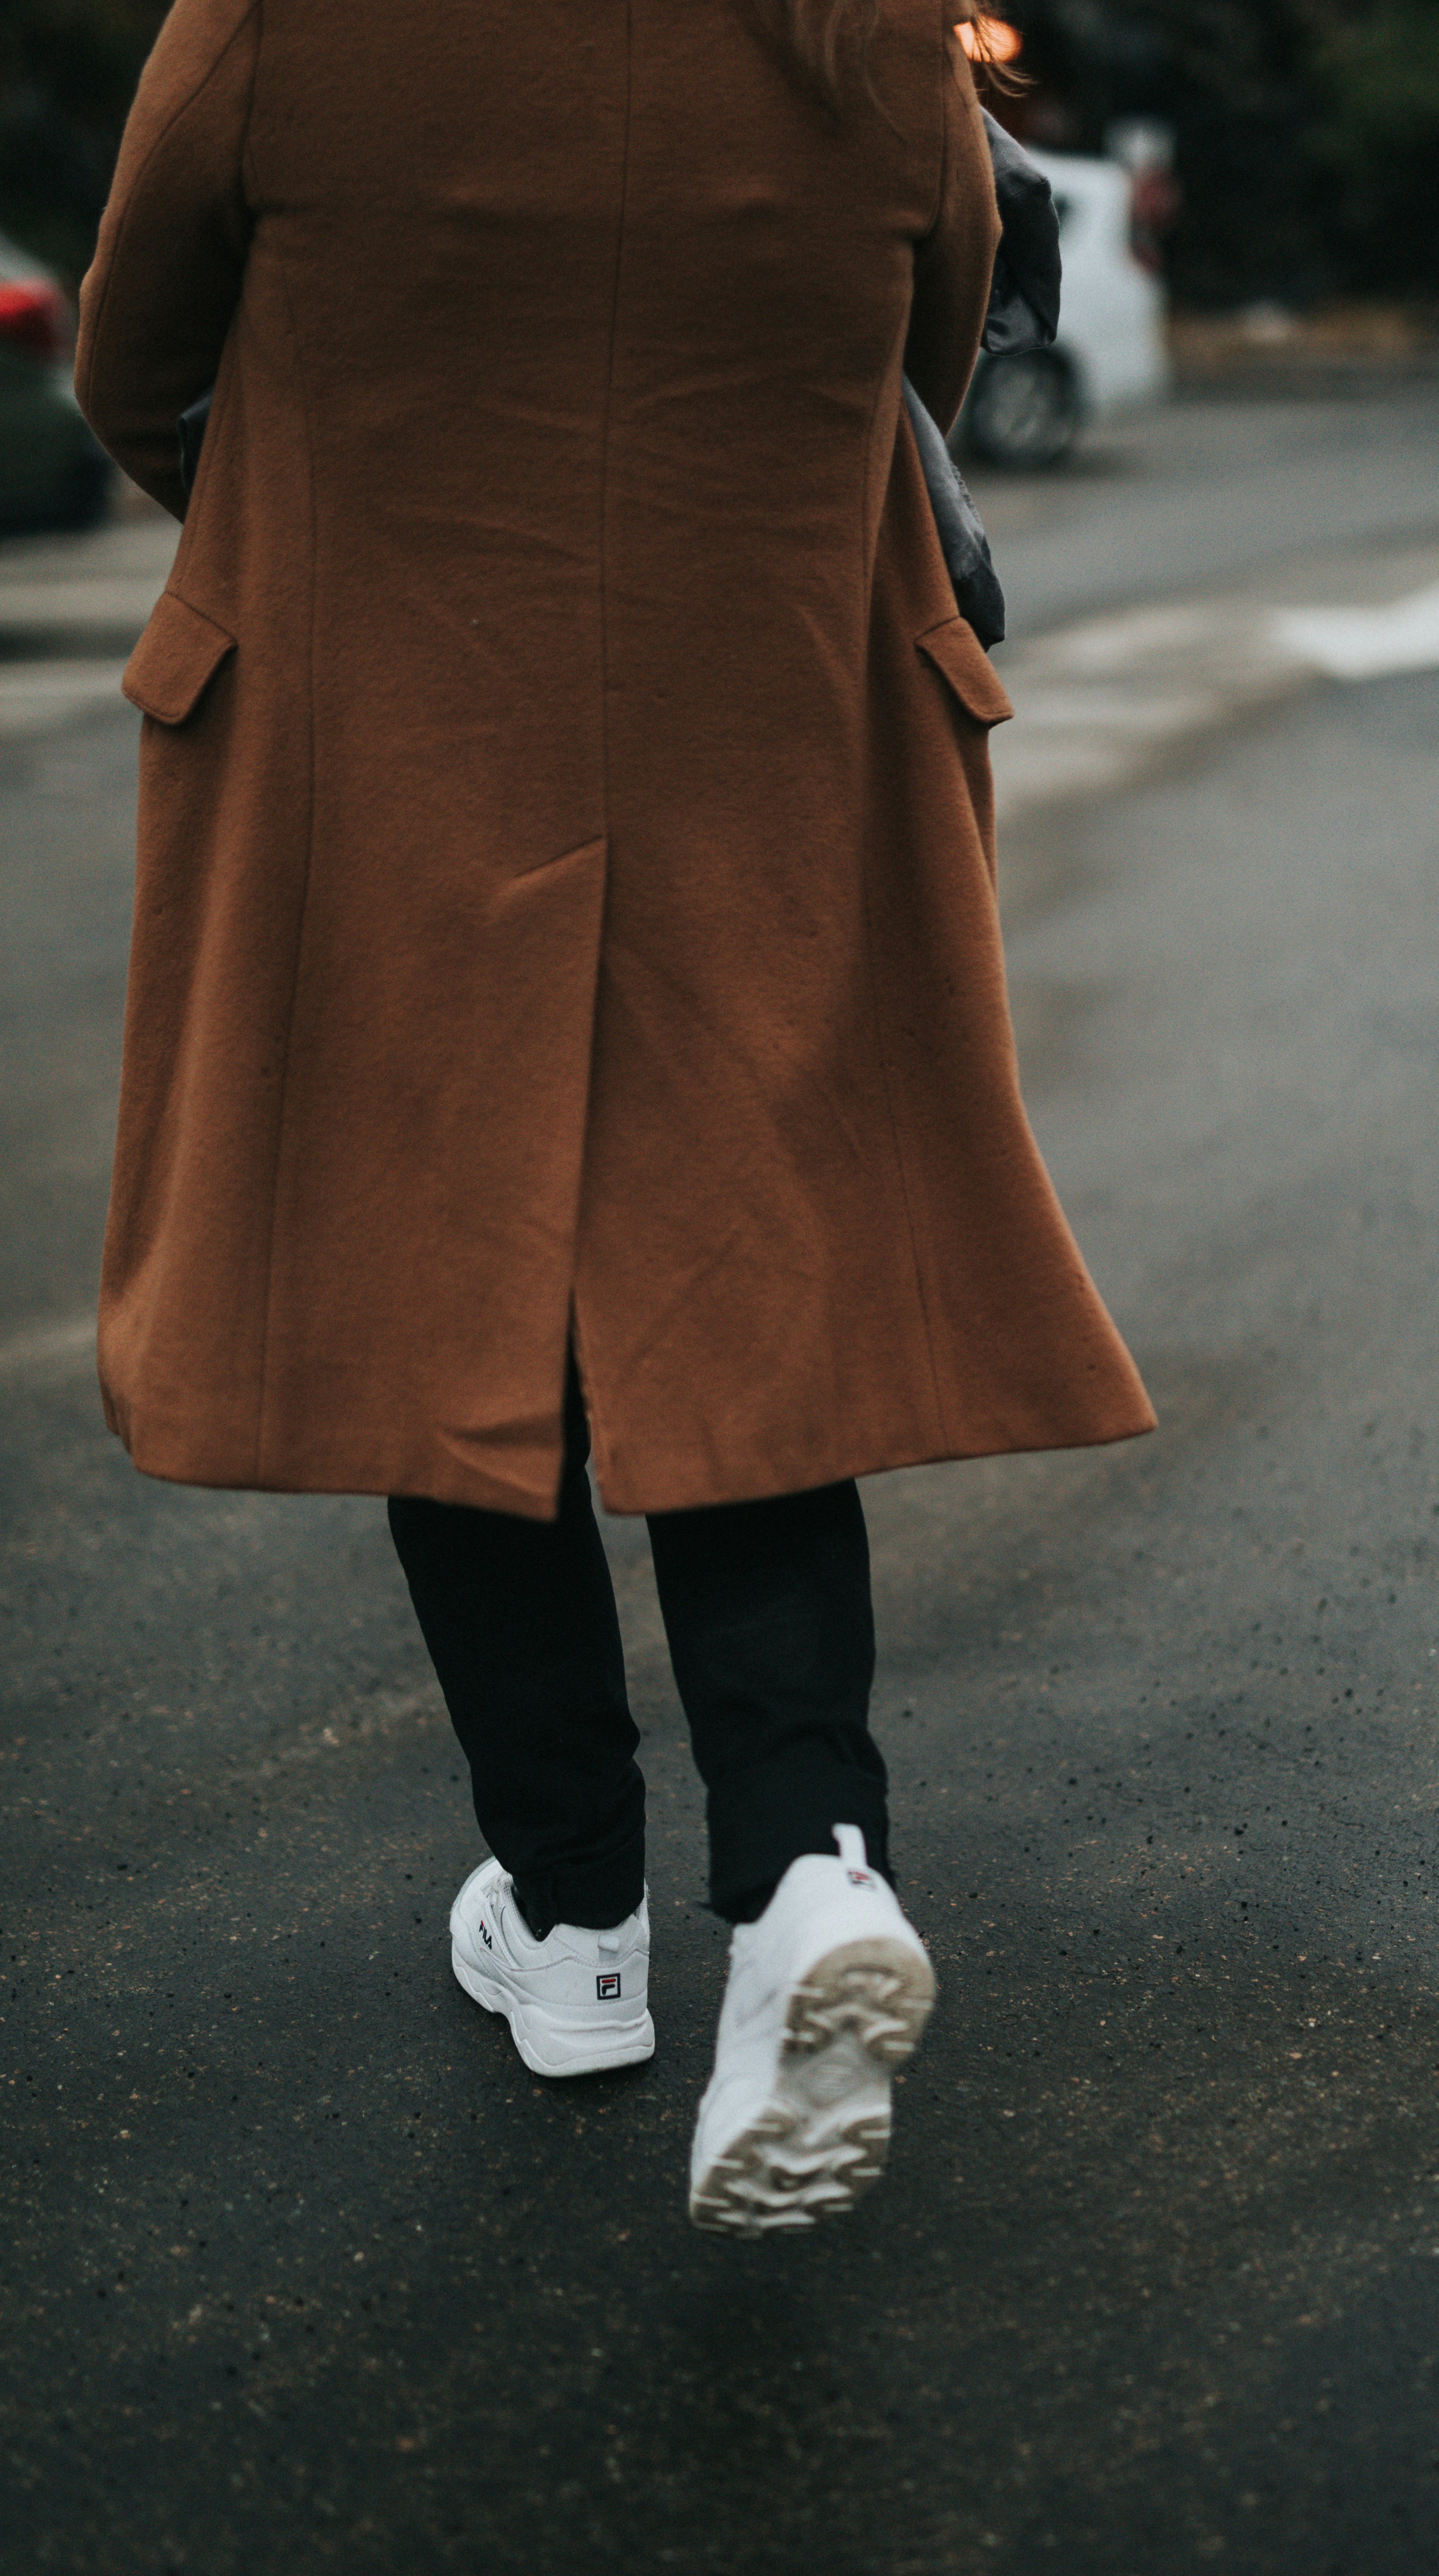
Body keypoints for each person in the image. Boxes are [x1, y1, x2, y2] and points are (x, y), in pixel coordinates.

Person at [75, 0, 1154, 2236]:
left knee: (445, 1292)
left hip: (395, 731)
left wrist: (329, 506)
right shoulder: (864, 26)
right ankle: (804, 1873)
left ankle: (570, 1923)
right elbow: (926, 343)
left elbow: (131, 357)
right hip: (757, 729)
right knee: (742, 1293)